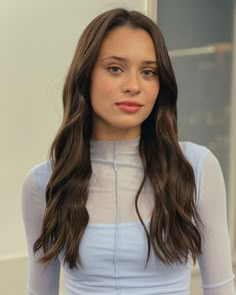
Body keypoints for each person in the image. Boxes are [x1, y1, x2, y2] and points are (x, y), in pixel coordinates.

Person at [22, 7, 236, 295]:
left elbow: (221, 288)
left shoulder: (195, 167)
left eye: (148, 72)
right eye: (115, 69)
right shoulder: (44, 183)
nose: (134, 86)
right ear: (85, 76)